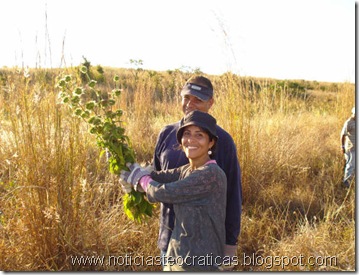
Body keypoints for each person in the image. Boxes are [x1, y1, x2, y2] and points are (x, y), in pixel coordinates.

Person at [153, 76, 242, 269]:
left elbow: (233, 195)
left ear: (210, 103)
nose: (190, 104)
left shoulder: (223, 141)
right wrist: (133, 178)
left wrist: (230, 246)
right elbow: (156, 177)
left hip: (203, 247)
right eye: (186, 97)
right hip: (170, 239)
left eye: (198, 100)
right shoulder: (166, 134)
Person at [120, 110, 227, 271]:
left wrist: (141, 180)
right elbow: (160, 176)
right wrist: (128, 164)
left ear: (211, 142)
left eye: (199, 135)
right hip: (177, 256)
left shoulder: (211, 175)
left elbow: (164, 192)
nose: (191, 140)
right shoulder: (188, 169)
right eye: (187, 134)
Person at [340, 106, 356, 188]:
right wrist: (342, 146)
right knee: (350, 166)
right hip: (351, 148)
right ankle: (346, 185)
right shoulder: (349, 122)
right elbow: (342, 135)